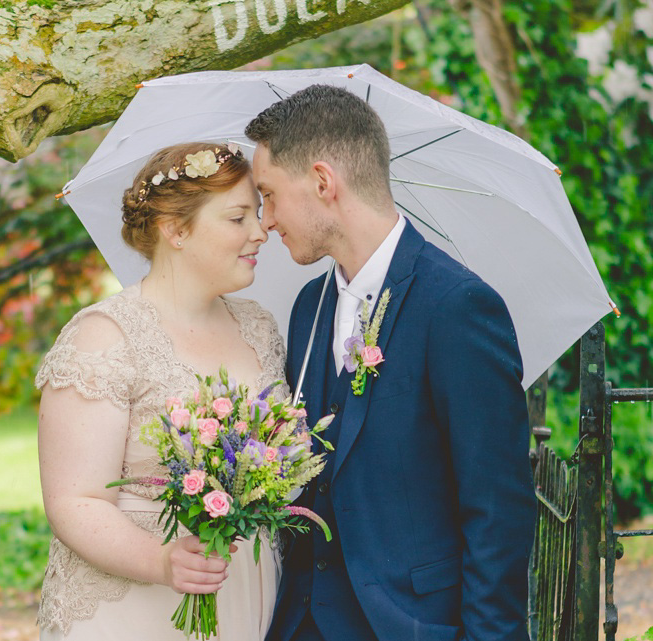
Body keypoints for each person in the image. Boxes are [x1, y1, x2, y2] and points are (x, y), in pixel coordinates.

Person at [245, 85, 536, 641]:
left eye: (270, 195)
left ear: (323, 182)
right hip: (301, 623)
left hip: (413, 624)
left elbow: (497, 507)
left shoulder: (457, 306)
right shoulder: (309, 307)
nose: (266, 220)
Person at [34, 141, 285, 640]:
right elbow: (75, 500)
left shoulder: (261, 328)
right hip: (131, 609)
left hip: (240, 591)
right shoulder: (104, 334)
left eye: (257, 215)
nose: (260, 232)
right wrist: (164, 560)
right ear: (176, 230)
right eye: (238, 218)